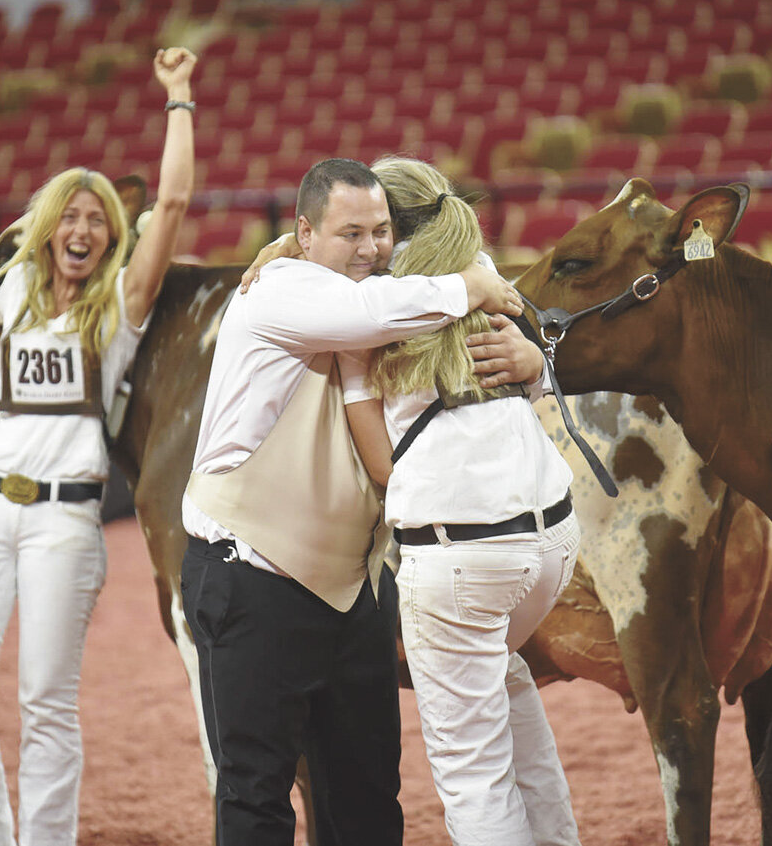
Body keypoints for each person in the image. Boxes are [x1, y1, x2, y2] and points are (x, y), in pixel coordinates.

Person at [180, 157, 532, 846]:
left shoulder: (394, 284)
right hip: (252, 577)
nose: (371, 249)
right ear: (305, 233)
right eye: (350, 234)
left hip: (355, 589)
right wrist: (474, 283)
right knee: (256, 795)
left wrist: (529, 356)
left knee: (368, 798)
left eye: (381, 231)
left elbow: (440, 290)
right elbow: (366, 312)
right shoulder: (280, 287)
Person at [0, 46, 197, 846]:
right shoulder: (12, 290)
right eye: (67, 216)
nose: (81, 228)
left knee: (45, 700)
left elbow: (172, 203)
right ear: (45, 230)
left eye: (96, 218)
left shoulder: (122, 306)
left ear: (111, 237)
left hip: (65, 522)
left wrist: (178, 97)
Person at [350, 156, 583, 846]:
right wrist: (538, 361)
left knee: (471, 774)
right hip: (551, 539)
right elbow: (532, 368)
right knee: (507, 689)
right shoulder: (474, 260)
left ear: (387, 228)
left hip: (463, 552)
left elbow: (380, 466)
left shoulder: (374, 294)